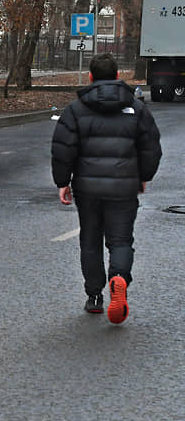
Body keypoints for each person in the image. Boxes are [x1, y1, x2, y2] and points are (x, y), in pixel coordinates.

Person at [51, 53, 162, 324]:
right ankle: (119, 278)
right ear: (116, 77)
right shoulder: (136, 108)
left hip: (87, 188)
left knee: (90, 239)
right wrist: (143, 176)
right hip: (124, 187)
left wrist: (62, 182)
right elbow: (151, 147)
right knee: (121, 240)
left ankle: (95, 297)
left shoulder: (76, 110)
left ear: (90, 77)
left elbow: (63, 150)